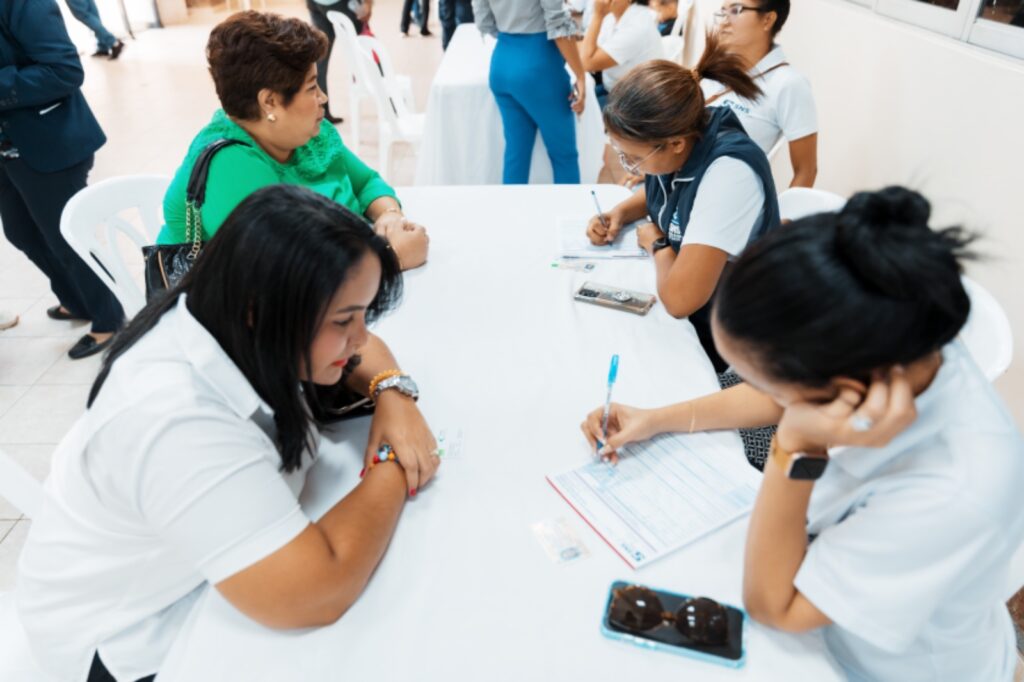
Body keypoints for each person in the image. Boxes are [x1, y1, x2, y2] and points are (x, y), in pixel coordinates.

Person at [582, 187, 1024, 682]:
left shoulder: (954, 492)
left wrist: (795, 444)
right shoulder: (898, 338)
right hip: (835, 586)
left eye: (768, 381)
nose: (760, 391)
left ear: (838, 388)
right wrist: (657, 418)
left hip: (882, 665)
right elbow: (779, 394)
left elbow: (777, 607)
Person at [16, 185, 441, 682]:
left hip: (201, 571)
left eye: (364, 314)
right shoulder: (177, 419)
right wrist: (394, 461)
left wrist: (393, 393)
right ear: (262, 309)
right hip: (136, 643)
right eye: (346, 319)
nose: (362, 336)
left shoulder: (224, 314)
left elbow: (360, 351)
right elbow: (314, 593)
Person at [157, 12, 428, 272]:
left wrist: (389, 216)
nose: (322, 98)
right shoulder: (228, 165)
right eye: (312, 88)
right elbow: (286, 274)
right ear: (270, 102)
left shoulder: (307, 133)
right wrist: (393, 259)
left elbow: (367, 183)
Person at [586, 38, 779, 372]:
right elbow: (663, 189)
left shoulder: (729, 174)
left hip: (731, 331)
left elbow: (680, 300)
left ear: (674, 144)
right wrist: (620, 213)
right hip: (694, 307)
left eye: (633, 159)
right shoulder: (683, 139)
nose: (630, 168)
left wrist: (657, 243)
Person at [0, 0, 125, 360]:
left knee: (67, 239)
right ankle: (77, 300)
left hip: (48, 141)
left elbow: (63, 71)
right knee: (21, 232)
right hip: (8, 146)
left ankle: (108, 318)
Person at [473, 0, 587, 184]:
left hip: (502, 60)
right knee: (564, 156)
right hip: (540, 64)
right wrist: (580, 75)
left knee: (516, 153)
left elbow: (484, 22)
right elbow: (557, 23)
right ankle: (571, 212)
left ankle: (511, 211)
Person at [705, 0, 817, 187]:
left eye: (736, 10)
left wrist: (785, 217)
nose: (724, 21)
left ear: (767, 19)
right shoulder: (712, 68)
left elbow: (806, 170)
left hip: (726, 196)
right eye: (722, 12)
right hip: (678, 186)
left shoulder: (789, 84)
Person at [578, 0, 662, 110]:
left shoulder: (637, 26)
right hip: (613, 87)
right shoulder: (613, 17)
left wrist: (597, 15)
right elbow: (588, 48)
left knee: (579, 113)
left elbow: (587, 63)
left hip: (632, 101)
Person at [306, 0, 365, 124]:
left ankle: (322, 113)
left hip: (315, 3)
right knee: (367, 44)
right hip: (336, 3)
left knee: (320, 59)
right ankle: (393, 104)